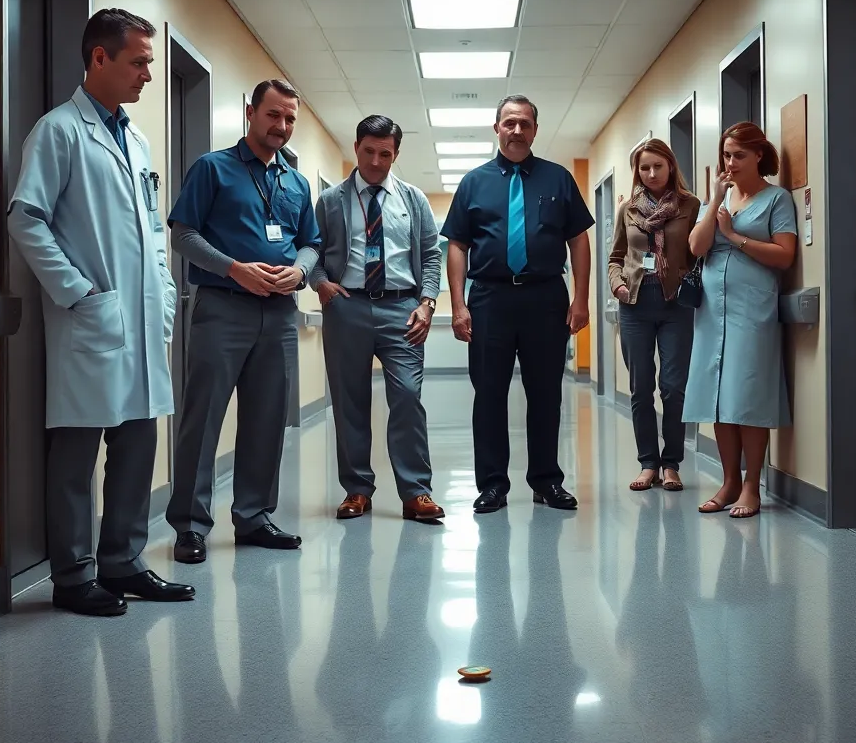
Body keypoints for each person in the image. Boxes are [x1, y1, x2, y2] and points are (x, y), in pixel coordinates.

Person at [7, 7, 194, 617]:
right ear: (99, 59)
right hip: (91, 316)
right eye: (139, 61)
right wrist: (77, 290)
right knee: (77, 454)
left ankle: (123, 560)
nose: (147, 74)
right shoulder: (59, 131)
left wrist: (163, 292)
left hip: (139, 318)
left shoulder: (135, 138)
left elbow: (148, 230)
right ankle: (74, 574)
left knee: (138, 446)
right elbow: (25, 218)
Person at [165, 78, 321, 562]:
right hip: (222, 308)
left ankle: (253, 516)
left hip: (278, 314)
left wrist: (299, 273)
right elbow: (183, 235)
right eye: (273, 115)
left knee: (268, 419)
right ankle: (190, 525)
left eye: (290, 118)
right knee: (203, 417)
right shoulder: (213, 169)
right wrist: (234, 268)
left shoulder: (295, 182)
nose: (282, 126)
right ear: (251, 112)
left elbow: (312, 244)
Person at [442, 94, 594, 513]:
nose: (517, 130)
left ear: (535, 130)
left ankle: (546, 481)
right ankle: (492, 484)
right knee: (488, 393)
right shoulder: (474, 182)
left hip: (546, 296)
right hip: (490, 297)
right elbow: (456, 244)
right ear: (496, 128)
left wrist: (581, 298)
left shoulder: (558, 178)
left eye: (525, 123)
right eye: (509, 122)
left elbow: (578, 239)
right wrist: (458, 304)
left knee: (546, 393)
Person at [309, 115, 445, 522]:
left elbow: (432, 255)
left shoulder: (413, 199)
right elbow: (312, 250)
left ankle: (416, 491)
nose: (375, 161)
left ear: (396, 154)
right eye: (368, 151)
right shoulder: (331, 200)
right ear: (356, 148)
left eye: (385, 153)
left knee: (406, 397)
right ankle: (357, 489)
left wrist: (427, 302)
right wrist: (320, 284)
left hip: (402, 308)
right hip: (347, 305)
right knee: (349, 400)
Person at [683, 122, 798, 519]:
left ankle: (752, 485)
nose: (730, 163)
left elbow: (784, 256)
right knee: (717, 397)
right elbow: (696, 247)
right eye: (726, 155)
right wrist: (715, 200)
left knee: (747, 394)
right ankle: (729, 480)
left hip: (753, 307)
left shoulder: (776, 199)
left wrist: (733, 237)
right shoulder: (721, 197)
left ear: (759, 156)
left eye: (739, 156)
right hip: (712, 310)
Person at [608, 138, 700, 492]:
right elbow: (616, 256)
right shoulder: (628, 209)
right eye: (644, 168)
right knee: (640, 388)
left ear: (671, 166)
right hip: (634, 303)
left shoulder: (690, 206)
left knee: (674, 388)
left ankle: (672, 463)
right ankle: (648, 463)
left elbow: (699, 252)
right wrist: (617, 284)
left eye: (657, 166)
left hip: (675, 301)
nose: (650, 173)